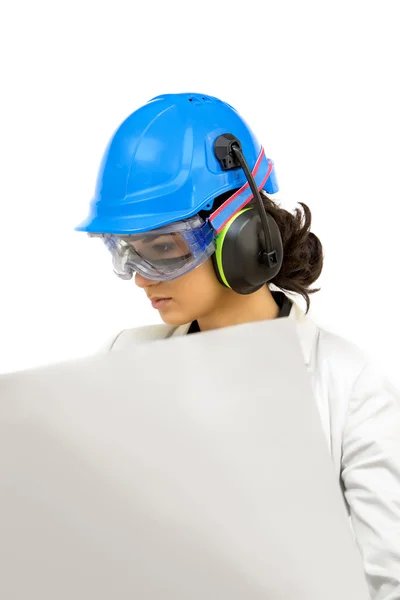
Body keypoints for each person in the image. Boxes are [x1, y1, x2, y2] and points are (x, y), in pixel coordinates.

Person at [76, 93, 400, 599]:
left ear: (243, 238)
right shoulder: (125, 359)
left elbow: (389, 579)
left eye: (163, 248)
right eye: (129, 253)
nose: (143, 279)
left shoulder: (349, 385)